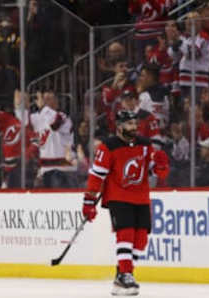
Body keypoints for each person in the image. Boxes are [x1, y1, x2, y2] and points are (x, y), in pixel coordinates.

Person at [81, 110, 169, 296]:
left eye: (135, 123)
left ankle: (122, 275)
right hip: (118, 196)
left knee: (141, 240)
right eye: (129, 124)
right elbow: (97, 176)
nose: (134, 127)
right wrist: (89, 201)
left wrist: (160, 166)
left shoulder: (145, 144)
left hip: (141, 196)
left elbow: (154, 172)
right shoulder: (109, 146)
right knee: (126, 234)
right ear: (119, 126)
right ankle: (126, 274)